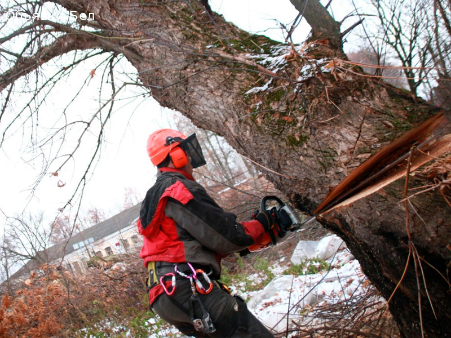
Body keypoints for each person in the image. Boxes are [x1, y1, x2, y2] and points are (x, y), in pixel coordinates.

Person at [137, 129, 280, 337]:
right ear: (176, 154)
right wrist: (262, 224)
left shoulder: (154, 196)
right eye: (185, 150)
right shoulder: (179, 189)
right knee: (248, 331)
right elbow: (226, 236)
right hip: (184, 287)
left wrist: (252, 242)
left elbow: (195, 244)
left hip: (162, 294)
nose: (189, 156)